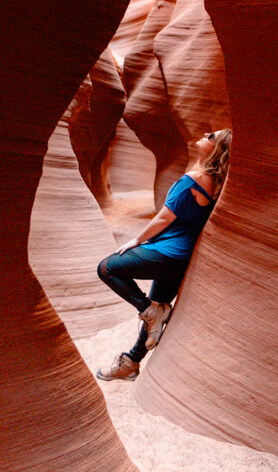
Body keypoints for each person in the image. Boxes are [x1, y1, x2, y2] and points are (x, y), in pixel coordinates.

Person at [95, 127, 232, 381]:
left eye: (211, 137)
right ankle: (130, 364)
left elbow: (164, 217)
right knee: (154, 319)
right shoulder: (218, 185)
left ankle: (148, 309)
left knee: (106, 268)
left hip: (166, 253)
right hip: (182, 260)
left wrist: (136, 240)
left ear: (217, 149)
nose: (205, 135)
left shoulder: (194, 179)